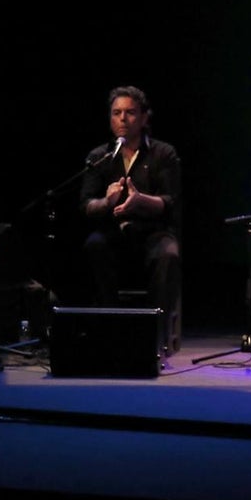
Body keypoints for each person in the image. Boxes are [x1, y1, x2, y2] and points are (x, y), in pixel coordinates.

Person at [80, 85, 182, 352]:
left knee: (168, 254)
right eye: (116, 113)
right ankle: (111, 329)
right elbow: (87, 205)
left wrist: (141, 201)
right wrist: (108, 202)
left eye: (130, 113)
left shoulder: (164, 153)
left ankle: (154, 338)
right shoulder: (99, 157)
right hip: (114, 232)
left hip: (153, 231)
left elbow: (170, 202)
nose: (123, 119)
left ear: (144, 118)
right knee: (94, 245)